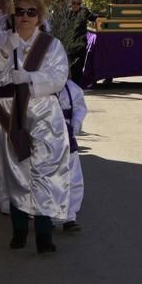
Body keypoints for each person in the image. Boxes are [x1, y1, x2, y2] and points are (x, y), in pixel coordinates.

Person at [0, 0, 72, 254]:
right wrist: (4, 52)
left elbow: (59, 77)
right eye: (20, 11)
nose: (25, 16)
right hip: (11, 113)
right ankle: (20, 231)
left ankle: (44, 235)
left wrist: (30, 77)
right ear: (13, 15)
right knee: (16, 171)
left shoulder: (51, 45)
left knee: (45, 172)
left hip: (44, 111)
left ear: (40, 16)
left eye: (31, 12)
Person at [56, 79, 87, 233]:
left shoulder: (72, 88)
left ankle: (70, 216)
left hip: (67, 133)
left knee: (72, 177)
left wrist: (76, 123)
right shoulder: (38, 87)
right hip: (45, 134)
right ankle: (48, 215)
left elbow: (80, 107)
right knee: (50, 177)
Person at [67, 0, 94, 85]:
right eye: (74, 3)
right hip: (70, 43)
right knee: (70, 65)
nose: (75, 5)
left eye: (78, 3)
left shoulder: (84, 12)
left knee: (79, 65)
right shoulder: (67, 13)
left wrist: (103, 15)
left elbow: (93, 18)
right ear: (71, 3)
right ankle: (70, 84)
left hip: (81, 43)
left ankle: (78, 84)